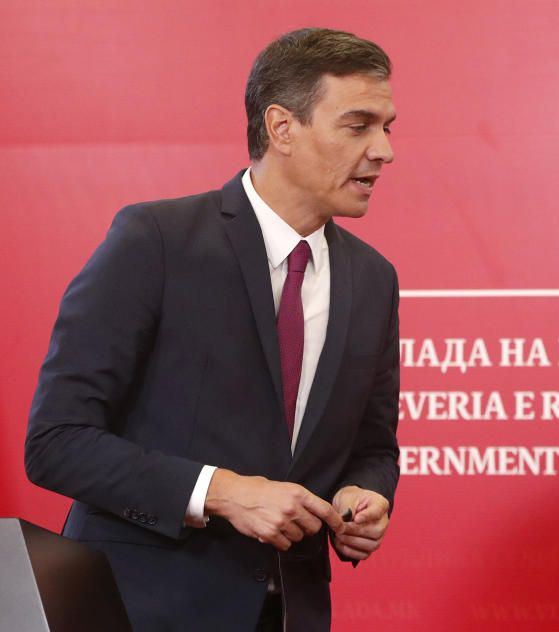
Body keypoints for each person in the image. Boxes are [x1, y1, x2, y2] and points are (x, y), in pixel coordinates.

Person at [25, 28, 400, 632]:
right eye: (359, 126)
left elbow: (374, 447)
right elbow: (56, 442)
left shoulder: (374, 279)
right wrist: (220, 490)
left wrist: (367, 493)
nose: (384, 150)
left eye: (388, 127)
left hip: (292, 612)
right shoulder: (156, 241)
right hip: (137, 610)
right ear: (281, 127)